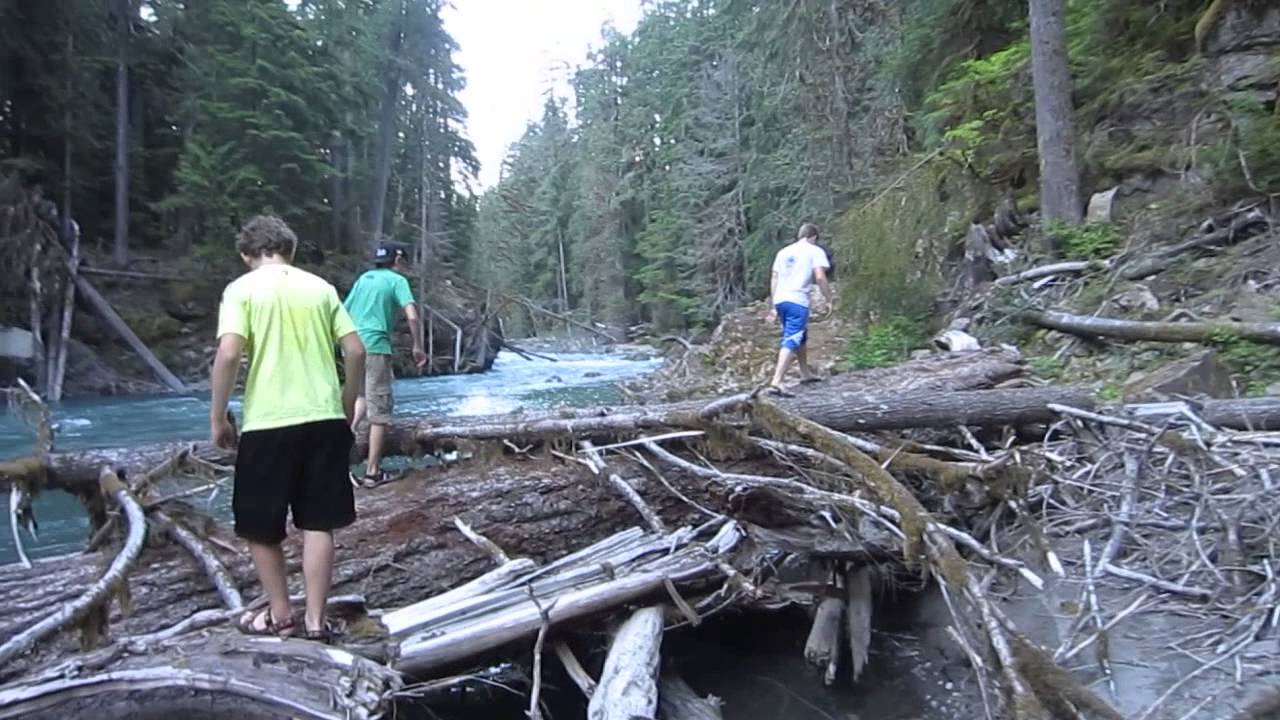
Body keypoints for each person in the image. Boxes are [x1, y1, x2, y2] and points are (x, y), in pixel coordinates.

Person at [209, 215, 366, 640]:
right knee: (318, 523)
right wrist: (346, 402)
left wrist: (218, 415)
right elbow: (355, 350)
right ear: (290, 250)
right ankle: (315, 620)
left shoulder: (241, 290)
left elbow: (228, 355)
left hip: (268, 422)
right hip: (324, 417)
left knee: (261, 525)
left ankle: (280, 613)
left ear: (246, 254)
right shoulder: (320, 289)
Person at [344, 244, 427, 486]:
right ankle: (372, 473)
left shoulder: (363, 279)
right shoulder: (396, 280)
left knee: (360, 397)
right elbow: (411, 314)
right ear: (397, 260)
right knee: (379, 414)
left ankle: (343, 443)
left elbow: (342, 311)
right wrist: (418, 346)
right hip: (375, 347)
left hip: (351, 346)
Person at [766, 222, 834, 396]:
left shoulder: (783, 252)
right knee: (792, 337)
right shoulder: (814, 251)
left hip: (781, 298)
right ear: (813, 237)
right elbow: (819, 276)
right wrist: (828, 298)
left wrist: (774, 305)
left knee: (801, 335)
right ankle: (777, 381)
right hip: (797, 300)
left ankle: (805, 372)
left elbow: (774, 278)